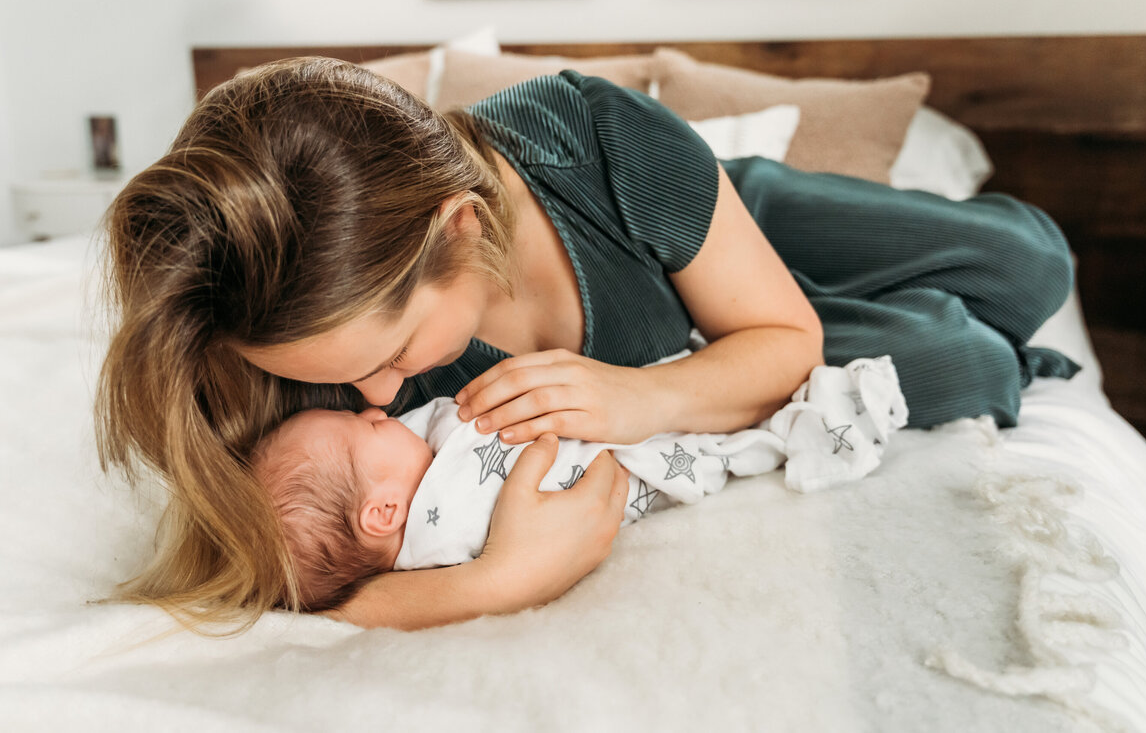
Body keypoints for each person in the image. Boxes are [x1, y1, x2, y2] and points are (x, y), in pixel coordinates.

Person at [96, 57, 1077, 632]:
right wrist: (495, 583)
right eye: (342, 375)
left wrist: (640, 397)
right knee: (974, 364)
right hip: (702, 339)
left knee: (1032, 266)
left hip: (715, 236)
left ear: (461, 229)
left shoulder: (600, 136)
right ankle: (935, 322)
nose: (374, 396)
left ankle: (805, 222)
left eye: (392, 351)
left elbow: (783, 337)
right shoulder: (312, 350)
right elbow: (269, 583)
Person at [252, 354, 905, 612]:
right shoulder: (441, 539)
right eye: (363, 428)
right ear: (383, 511)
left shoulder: (423, 439)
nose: (375, 409)